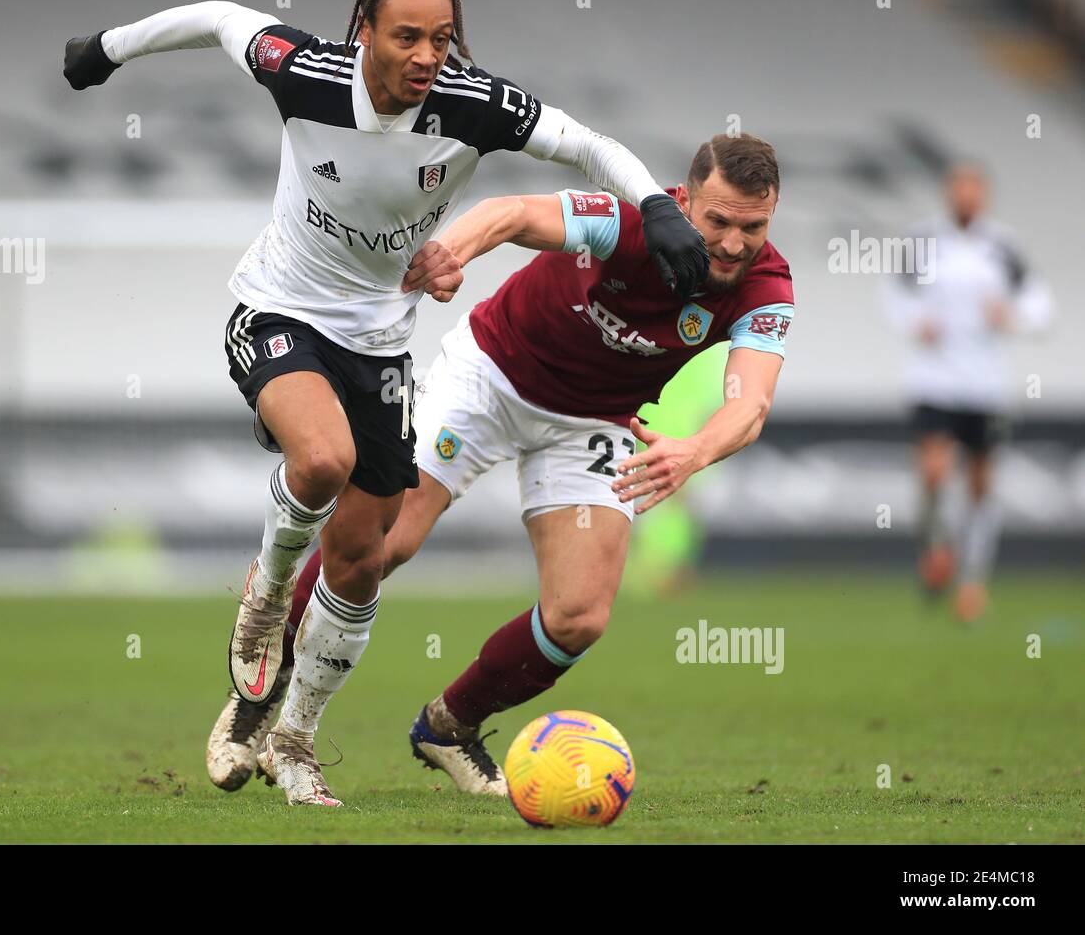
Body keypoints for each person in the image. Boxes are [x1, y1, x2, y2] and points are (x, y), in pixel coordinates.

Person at [63, 0, 709, 806]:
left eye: (442, 38)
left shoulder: (473, 103)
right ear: (363, 31)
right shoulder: (305, 72)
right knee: (322, 461)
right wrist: (107, 48)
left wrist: (656, 206)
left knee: (364, 560)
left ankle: (292, 738)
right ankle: (263, 597)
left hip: (378, 349)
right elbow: (220, 15)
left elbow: (584, 144)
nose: (428, 54)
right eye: (407, 36)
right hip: (278, 312)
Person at [211, 132, 794, 796]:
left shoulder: (767, 284)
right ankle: (262, 689)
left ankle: (448, 726)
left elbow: (750, 402)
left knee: (579, 615)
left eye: (754, 226)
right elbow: (514, 212)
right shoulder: (631, 221)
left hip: (591, 421)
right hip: (490, 373)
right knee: (385, 538)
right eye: (719, 221)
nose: (734, 243)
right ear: (684, 202)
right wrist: (448, 254)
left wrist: (693, 451)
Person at [886, 162, 1053, 621]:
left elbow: (1041, 304)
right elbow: (894, 298)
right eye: (959, 187)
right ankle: (935, 549)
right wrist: (914, 322)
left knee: (980, 484)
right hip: (934, 379)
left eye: (974, 188)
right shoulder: (923, 242)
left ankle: (973, 581)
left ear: (984, 195)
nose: (966, 196)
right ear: (948, 193)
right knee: (935, 473)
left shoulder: (1003, 247)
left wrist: (1013, 316)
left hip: (986, 385)